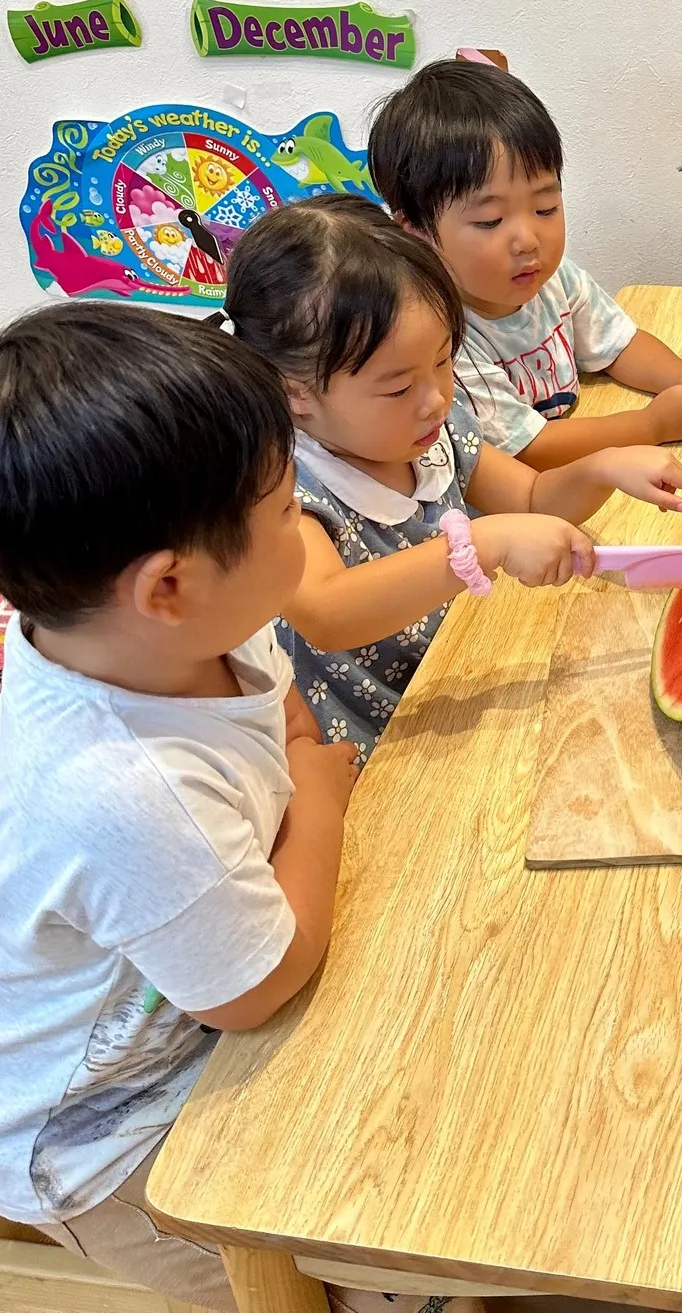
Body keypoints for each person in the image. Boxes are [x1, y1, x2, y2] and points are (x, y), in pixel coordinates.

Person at [0, 305, 473, 1312]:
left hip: (208, 977)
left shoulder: (199, 626)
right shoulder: (121, 789)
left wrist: (305, 769)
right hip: (108, 1136)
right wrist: (323, 801)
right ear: (168, 587)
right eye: (280, 508)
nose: (299, 518)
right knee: (303, 1287)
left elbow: (286, 713)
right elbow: (260, 982)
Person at [219, 195, 682, 762]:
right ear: (294, 393)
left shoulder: (428, 426)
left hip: (467, 672)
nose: (435, 398)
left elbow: (529, 497)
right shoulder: (285, 491)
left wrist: (604, 465)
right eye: (398, 387)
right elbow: (328, 613)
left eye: (445, 360)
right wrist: (484, 542)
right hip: (384, 745)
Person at [367, 58, 682, 469]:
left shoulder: (548, 278)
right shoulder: (437, 339)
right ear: (417, 232)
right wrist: (655, 424)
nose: (528, 240)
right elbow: (530, 449)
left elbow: (617, 345)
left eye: (546, 208)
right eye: (490, 221)